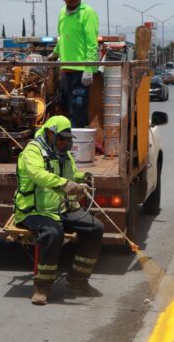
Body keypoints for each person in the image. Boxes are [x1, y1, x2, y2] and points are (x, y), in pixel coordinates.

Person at [13, 115, 105, 305]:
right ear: (50, 133)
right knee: (54, 233)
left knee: (96, 228)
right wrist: (65, 184)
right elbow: (39, 175)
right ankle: (42, 288)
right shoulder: (32, 152)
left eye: (67, 139)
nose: (65, 143)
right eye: (61, 139)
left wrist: (82, 179)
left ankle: (77, 280)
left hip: (60, 208)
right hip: (34, 210)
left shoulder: (63, 154)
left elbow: (71, 175)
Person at [47, 0, 100, 128]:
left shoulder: (87, 13)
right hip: (67, 69)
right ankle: (68, 140)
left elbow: (92, 43)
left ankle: (77, 142)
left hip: (81, 70)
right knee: (66, 106)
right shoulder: (62, 13)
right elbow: (62, 37)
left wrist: (88, 68)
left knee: (78, 106)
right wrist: (55, 53)